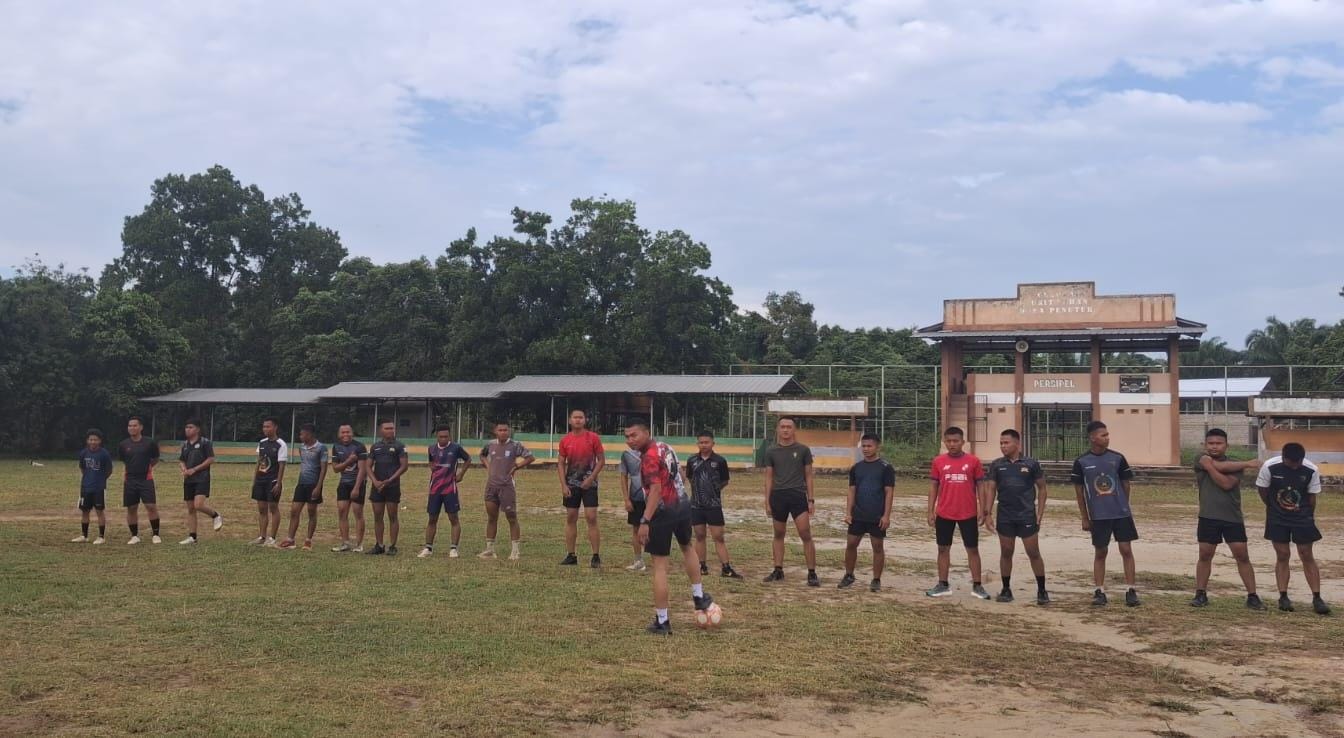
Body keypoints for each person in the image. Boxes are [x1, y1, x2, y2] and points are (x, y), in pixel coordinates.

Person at [625, 422, 714, 635]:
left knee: (659, 565)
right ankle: (699, 596)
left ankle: (662, 621)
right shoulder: (666, 447)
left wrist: (645, 521)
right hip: (682, 505)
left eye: (634, 435)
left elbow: (655, 490)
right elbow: (681, 475)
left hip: (662, 511)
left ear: (647, 433)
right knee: (687, 547)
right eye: (627, 437)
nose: (630, 440)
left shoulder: (648, 457)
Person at [1191, 428, 1264, 610]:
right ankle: (1200, 594)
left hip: (1232, 518)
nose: (1214, 447)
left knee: (1242, 556)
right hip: (1208, 516)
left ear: (1226, 445)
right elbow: (1222, 473)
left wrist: (1211, 466)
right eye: (1211, 443)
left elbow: (1227, 483)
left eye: (1218, 443)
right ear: (1205, 445)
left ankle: (1252, 596)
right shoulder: (1200, 459)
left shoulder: (1234, 465)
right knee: (1205, 555)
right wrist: (1248, 463)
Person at [1256, 442, 1331, 615]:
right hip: (1277, 517)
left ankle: (1317, 597)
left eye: (1298, 463)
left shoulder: (1311, 469)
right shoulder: (1269, 467)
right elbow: (1262, 489)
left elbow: (1312, 497)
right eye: (1291, 463)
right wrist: (1273, 507)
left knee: (1306, 554)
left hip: (1302, 517)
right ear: (1283, 458)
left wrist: (1307, 516)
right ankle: (1283, 596)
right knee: (1283, 554)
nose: (1295, 466)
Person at [1072, 421, 1140, 607]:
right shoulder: (1082, 462)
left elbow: (1126, 484)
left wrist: (1122, 505)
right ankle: (1099, 591)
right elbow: (1079, 492)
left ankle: (1131, 590)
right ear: (1093, 438)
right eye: (1103, 435)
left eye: (1107, 435)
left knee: (1126, 549)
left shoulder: (1118, 458)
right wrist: (1085, 517)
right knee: (1101, 551)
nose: (1107, 438)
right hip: (1098, 516)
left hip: (1121, 514)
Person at [984, 429, 1049, 605]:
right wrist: (987, 514)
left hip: (1026, 515)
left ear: (1017, 444)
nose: (1003, 446)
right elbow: (991, 489)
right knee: (1006, 552)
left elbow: (1042, 489)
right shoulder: (997, 465)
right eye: (1001, 443)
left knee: (1033, 552)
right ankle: (1006, 589)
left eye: (1006, 443)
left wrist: (1040, 513)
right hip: (1005, 515)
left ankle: (1042, 590)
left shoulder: (1031, 464)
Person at [926, 427, 989, 599]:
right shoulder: (938, 461)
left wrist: (983, 509)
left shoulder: (973, 461)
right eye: (949, 441)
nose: (952, 444)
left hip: (968, 513)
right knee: (943, 549)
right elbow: (933, 486)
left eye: (956, 441)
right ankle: (943, 584)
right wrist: (930, 510)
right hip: (944, 513)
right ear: (944, 442)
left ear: (963, 442)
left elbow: (981, 486)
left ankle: (977, 585)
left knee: (972, 549)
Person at [762, 417, 819, 586]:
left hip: (797, 496)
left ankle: (812, 573)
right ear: (777, 429)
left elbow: (808, 476)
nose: (785, 430)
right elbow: (768, 478)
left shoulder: (803, 450)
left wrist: (811, 499)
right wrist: (767, 501)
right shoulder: (771, 451)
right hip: (778, 496)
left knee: (805, 533)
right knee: (778, 534)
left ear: (794, 430)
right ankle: (778, 570)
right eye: (782, 427)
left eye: (789, 427)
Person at [840, 433, 895, 592]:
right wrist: (848, 512)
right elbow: (851, 491)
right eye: (863, 446)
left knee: (877, 547)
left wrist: (886, 515)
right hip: (858, 514)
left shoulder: (886, 468)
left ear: (877, 447)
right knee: (851, 544)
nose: (866, 449)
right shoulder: (856, 468)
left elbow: (889, 492)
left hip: (876, 515)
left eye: (869, 446)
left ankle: (876, 579)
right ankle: (849, 575)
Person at [685, 430, 743, 579]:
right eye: (701, 442)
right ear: (697, 443)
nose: (704, 445)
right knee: (699, 536)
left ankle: (726, 568)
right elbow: (690, 478)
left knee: (718, 537)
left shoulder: (720, 461)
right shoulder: (692, 460)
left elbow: (725, 481)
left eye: (707, 442)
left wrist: (712, 491)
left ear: (713, 443)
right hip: (696, 505)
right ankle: (701, 566)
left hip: (714, 506)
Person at [478, 421, 534, 560]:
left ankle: (515, 551)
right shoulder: (490, 444)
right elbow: (482, 455)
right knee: (492, 517)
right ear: (495, 431)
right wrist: (488, 466)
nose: (503, 432)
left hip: (506, 485)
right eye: (500, 430)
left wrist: (517, 466)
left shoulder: (515, 445)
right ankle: (490, 550)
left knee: (511, 517)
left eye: (505, 430)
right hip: (491, 485)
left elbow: (530, 457)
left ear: (509, 432)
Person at [557, 409, 605, 567]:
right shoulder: (565, 440)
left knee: (591, 517)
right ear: (570, 420)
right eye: (575, 417)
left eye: (581, 417)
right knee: (571, 517)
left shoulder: (593, 438)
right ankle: (571, 555)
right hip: (571, 484)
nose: (578, 420)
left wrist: (591, 478)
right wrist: (563, 485)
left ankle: (595, 556)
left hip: (590, 484)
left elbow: (601, 460)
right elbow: (561, 463)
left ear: (585, 420)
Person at [420, 425, 471, 559]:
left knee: (453, 518)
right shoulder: (431, 448)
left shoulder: (456, 448)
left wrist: (461, 474)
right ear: (437, 436)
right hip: (435, 489)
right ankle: (428, 548)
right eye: (441, 437)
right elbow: (431, 462)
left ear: (450, 436)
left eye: (446, 436)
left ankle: (453, 549)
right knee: (432, 518)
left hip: (450, 489)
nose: (443, 439)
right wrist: (433, 469)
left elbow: (468, 459)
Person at [279, 424, 327, 551]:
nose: (300, 436)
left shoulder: (321, 448)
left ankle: (308, 540)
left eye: (302, 434)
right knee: (294, 511)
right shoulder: (302, 448)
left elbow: (323, 469)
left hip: (314, 484)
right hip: (301, 484)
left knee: (311, 511)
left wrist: (318, 487)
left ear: (309, 434)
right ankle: (290, 539)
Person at [178, 418, 223, 545]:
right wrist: (184, 469)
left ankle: (215, 515)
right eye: (186, 427)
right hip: (188, 480)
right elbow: (181, 460)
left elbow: (210, 459)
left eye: (190, 427)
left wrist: (194, 469)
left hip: (202, 478)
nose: (187, 430)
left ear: (197, 429)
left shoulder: (205, 443)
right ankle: (193, 537)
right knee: (191, 509)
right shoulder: (185, 444)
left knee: (198, 505)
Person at [119, 416, 162, 544]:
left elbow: (155, 458)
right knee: (131, 508)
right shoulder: (123, 444)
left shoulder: (150, 443)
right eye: (130, 425)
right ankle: (134, 536)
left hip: (146, 479)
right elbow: (124, 460)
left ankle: (156, 534)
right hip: (130, 480)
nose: (132, 428)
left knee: (151, 506)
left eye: (135, 425)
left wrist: (147, 468)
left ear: (141, 427)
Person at [367, 420, 408, 556]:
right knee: (378, 516)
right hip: (378, 487)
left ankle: (392, 546)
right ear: (381, 430)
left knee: (392, 516)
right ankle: (379, 545)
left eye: (392, 428)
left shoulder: (399, 446)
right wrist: (375, 481)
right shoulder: (375, 447)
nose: (390, 430)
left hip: (392, 486)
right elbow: (368, 466)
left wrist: (390, 480)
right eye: (387, 428)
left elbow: (404, 466)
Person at [330, 424, 369, 552]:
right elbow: (335, 469)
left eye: (348, 432)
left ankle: (359, 544)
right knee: (342, 512)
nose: (345, 434)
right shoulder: (336, 447)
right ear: (339, 434)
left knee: (358, 512)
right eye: (343, 432)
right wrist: (349, 461)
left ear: (352, 433)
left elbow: (363, 469)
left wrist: (357, 488)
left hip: (357, 483)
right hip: (343, 483)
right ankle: (345, 543)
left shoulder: (359, 447)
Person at [249, 418, 287, 547]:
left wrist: (278, 483)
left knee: (273, 508)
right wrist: (255, 479)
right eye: (264, 426)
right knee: (262, 509)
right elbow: (259, 461)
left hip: (272, 481)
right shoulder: (262, 443)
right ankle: (262, 536)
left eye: (268, 426)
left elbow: (282, 465)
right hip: (261, 480)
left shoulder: (281, 444)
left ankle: (272, 538)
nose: (265, 429)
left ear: (275, 427)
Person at [73, 429, 113, 545]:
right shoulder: (83, 453)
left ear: (100, 441)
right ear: (87, 440)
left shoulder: (104, 454)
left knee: (99, 511)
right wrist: (88, 479)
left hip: (99, 488)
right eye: (91, 439)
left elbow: (109, 470)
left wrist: (100, 480)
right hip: (85, 487)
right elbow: (82, 468)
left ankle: (101, 537)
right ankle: (84, 536)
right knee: (85, 511)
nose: (93, 442)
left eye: (95, 440)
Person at [619, 445, 647, 571]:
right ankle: (638, 560)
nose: (631, 439)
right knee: (636, 529)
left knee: (656, 529)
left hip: (653, 497)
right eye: (629, 437)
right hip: (636, 498)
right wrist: (626, 499)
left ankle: (658, 559)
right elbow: (623, 476)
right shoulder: (626, 454)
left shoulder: (654, 451)